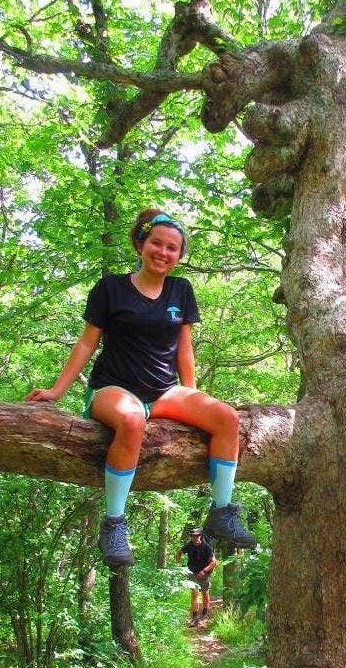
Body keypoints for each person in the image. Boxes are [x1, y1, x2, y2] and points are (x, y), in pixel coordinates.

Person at [26, 208, 256, 564]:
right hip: (113, 389)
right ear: (141, 244)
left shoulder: (181, 291)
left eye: (172, 248)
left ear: (180, 255)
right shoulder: (110, 288)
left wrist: (191, 393)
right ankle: (114, 524)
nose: (163, 252)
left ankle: (222, 511)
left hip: (163, 391)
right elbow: (87, 342)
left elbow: (184, 346)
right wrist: (57, 390)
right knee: (133, 420)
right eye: (157, 244)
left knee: (226, 418)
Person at [176, 527, 216, 626]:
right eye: (193, 536)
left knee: (205, 594)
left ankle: (204, 615)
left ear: (200, 536)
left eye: (197, 536)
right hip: (192, 572)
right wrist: (178, 564)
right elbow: (179, 552)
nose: (195, 537)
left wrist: (204, 571)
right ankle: (194, 617)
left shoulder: (207, 547)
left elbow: (214, 562)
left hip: (205, 573)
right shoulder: (189, 546)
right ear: (191, 537)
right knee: (194, 594)